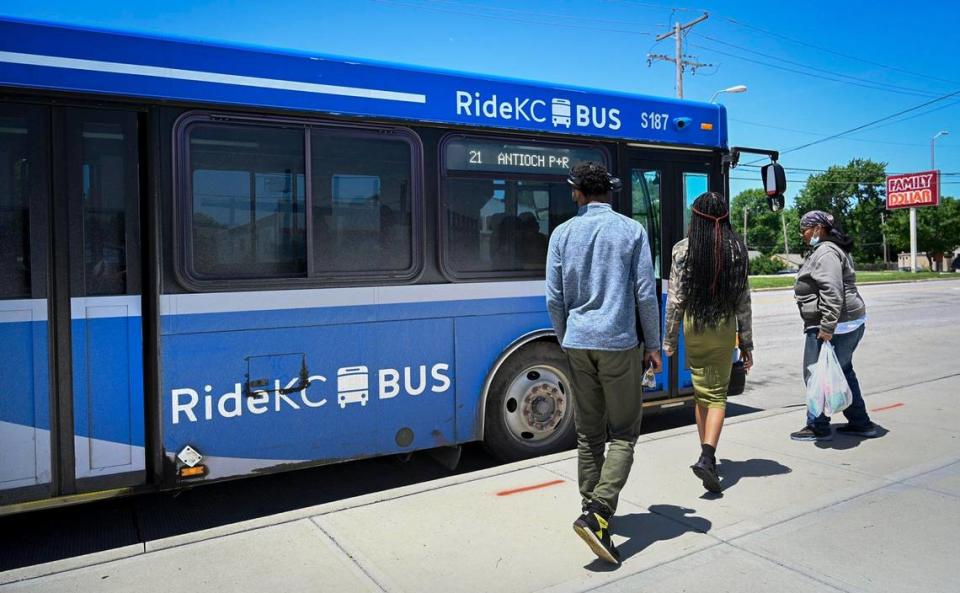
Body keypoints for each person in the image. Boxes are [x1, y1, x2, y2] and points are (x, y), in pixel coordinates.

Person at [546, 161, 662, 565]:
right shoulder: (632, 231)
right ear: (609, 191)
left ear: (578, 192)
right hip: (618, 343)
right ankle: (598, 513)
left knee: (588, 435)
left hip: (578, 342)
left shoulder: (562, 233)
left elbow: (554, 298)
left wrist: (566, 337)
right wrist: (653, 344)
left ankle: (590, 511)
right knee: (625, 434)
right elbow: (645, 293)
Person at [662, 192, 753, 494]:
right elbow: (743, 302)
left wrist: (669, 340)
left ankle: (706, 454)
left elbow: (675, 300)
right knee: (717, 395)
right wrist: (747, 343)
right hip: (723, 327)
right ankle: (707, 455)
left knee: (702, 393)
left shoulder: (682, 250)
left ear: (696, 218)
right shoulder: (737, 251)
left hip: (694, 326)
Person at [790, 210, 878, 441]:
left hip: (835, 325)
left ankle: (818, 425)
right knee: (842, 370)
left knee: (816, 373)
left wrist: (827, 327)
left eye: (805, 230)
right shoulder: (830, 249)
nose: (803, 235)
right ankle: (861, 423)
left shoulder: (826, 252)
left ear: (818, 229)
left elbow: (832, 291)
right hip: (846, 323)